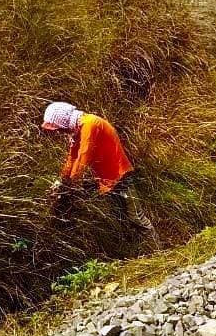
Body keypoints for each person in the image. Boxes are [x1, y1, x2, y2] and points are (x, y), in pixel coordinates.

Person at [41, 102, 158, 247]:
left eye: (58, 128)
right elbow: (72, 158)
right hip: (107, 180)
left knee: (136, 218)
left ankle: (157, 250)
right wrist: (62, 181)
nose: (59, 132)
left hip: (120, 177)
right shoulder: (78, 129)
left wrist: (70, 184)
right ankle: (137, 249)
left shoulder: (90, 125)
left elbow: (83, 157)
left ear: (63, 121)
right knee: (121, 218)